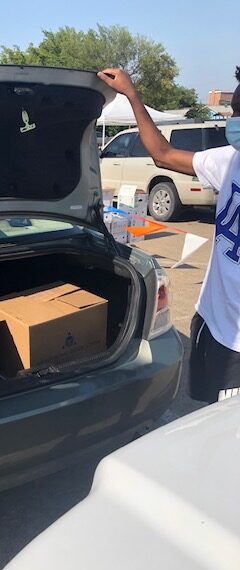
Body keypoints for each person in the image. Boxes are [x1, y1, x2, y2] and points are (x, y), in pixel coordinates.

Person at [98, 66, 240, 405]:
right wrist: (132, 96)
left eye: (239, 114)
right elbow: (162, 154)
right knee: (204, 422)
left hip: (237, 348)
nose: (232, 122)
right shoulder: (229, 161)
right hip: (211, 321)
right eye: (233, 112)